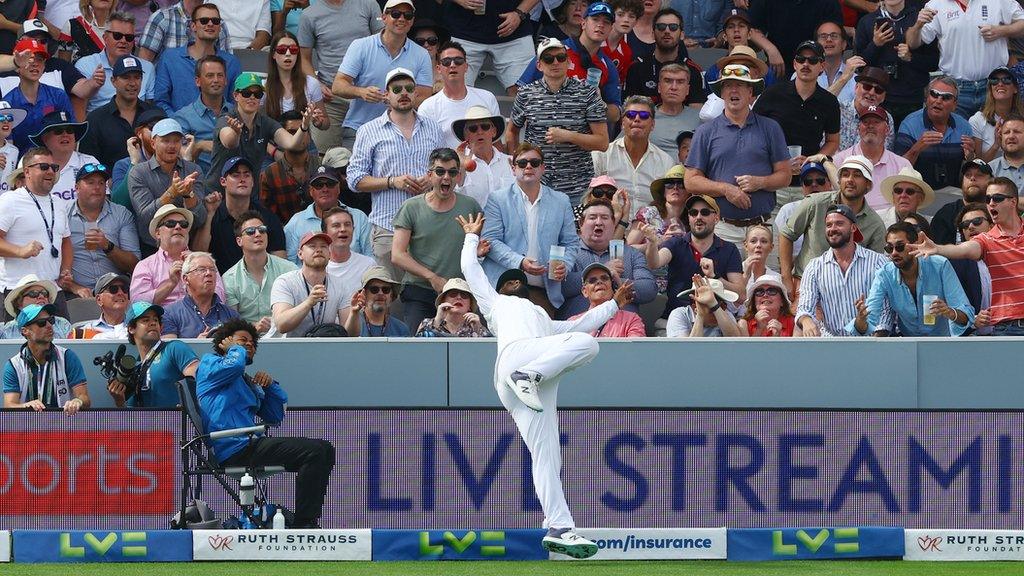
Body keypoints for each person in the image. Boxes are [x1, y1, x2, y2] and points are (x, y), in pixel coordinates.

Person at [457, 210, 633, 559]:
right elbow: (470, 270)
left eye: (518, 283)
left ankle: (560, 527)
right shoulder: (496, 305)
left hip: (529, 385)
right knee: (591, 346)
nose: (515, 287)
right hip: (516, 362)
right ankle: (529, 376)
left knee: (547, 456)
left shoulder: (547, 323)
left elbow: (583, 323)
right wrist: (471, 237)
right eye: (509, 283)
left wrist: (613, 304)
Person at [197, 319, 334, 529]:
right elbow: (233, 364)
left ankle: (308, 520)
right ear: (224, 343)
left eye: (252, 342)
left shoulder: (244, 381)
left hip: (250, 444)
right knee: (314, 451)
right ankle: (303, 525)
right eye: (243, 340)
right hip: (233, 448)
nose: (249, 345)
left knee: (325, 449)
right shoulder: (209, 364)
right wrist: (235, 350)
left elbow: (275, 415)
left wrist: (270, 387)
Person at [346, 67, 444, 278]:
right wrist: (392, 181)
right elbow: (354, 180)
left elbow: (444, 168)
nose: (404, 93)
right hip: (387, 227)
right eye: (397, 88)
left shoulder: (433, 127)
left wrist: (432, 179)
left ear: (416, 93)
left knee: (427, 296)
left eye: (409, 88)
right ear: (386, 95)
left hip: (429, 225)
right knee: (390, 298)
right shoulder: (368, 130)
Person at [685, 64, 790, 250]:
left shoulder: (770, 128)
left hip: (762, 228)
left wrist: (761, 182)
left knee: (765, 279)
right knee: (718, 280)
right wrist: (726, 189)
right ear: (721, 93)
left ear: (751, 93)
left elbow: (785, 176)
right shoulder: (705, 132)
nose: (733, 90)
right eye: (727, 85)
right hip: (721, 229)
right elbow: (691, 181)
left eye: (740, 85)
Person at [910, 177, 1024, 335]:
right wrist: (938, 248)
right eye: (988, 198)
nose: (991, 203)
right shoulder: (987, 239)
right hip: (1007, 328)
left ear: (1013, 202)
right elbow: (963, 249)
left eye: (997, 198)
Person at [482, 144, 581, 317]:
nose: (528, 167)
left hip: (542, 290)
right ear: (513, 169)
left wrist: (565, 264)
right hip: (502, 290)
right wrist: (519, 262)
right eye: (522, 163)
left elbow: (571, 243)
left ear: (543, 168)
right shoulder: (497, 199)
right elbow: (491, 240)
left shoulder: (561, 201)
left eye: (534, 163)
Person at [507, 38, 609, 204]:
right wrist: (516, 165)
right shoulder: (526, 93)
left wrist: (568, 136)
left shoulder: (587, 93)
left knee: (575, 231)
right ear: (539, 65)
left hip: (577, 187)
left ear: (568, 62)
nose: (555, 62)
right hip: (535, 185)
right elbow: (512, 131)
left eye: (561, 58)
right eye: (548, 59)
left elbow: (602, 142)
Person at [392, 147, 482, 329]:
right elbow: (397, 254)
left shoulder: (470, 206)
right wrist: (432, 278)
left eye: (452, 172)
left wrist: (479, 250)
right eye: (440, 171)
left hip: (459, 293)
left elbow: (475, 246)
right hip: (420, 290)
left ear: (458, 176)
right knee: (421, 346)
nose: (446, 177)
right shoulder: (411, 207)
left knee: (466, 346)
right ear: (430, 175)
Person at [779, 155, 887, 299]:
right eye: (845, 174)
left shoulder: (875, 224)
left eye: (857, 175)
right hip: (805, 285)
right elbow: (786, 234)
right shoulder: (815, 203)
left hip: (850, 292)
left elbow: (876, 268)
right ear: (839, 180)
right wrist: (786, 278)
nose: (849, 180)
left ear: (868, 185)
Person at [331, 0, 433, 147]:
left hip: (403, 131)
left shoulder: (421, 54)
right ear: (384, 17)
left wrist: (397, 99)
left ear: (412, 21)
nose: (401, 19)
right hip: (359, 127)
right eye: (396, 14)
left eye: (408, 15)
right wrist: (361, 92)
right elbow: (338, 85)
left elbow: (424, 97)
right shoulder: (361, 46)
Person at [642, 194, 744, 333]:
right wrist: (653, 244)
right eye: (693, 213)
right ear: (689, 218)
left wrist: (715, 277)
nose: (698, 217)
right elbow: (655, 263)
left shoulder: (729, 249)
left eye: (705, 212)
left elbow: (740, 294)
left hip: (715, 322)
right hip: (675, 319)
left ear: (717, 218)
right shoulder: (676, 243)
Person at [905, 0, 1024, 118]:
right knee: (956, 136)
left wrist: (1001, 31)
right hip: (955, 88)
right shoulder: (936, 4)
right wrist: (918, 25)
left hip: (993, 86)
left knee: (995, 134)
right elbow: (913, 43)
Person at [207, 73, 316, 198]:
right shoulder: (226, 118)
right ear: (236, 96)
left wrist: (304, 126)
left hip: (249, 196)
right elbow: (229, 142)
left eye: (257, 94)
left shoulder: (266, 122)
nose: (252, 97)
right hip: (218, 195)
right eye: (247, 93)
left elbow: (291, 143)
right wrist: (236, 133)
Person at [752, 40, 841, 191]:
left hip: (809, 181)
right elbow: (753, 130)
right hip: (773, 179)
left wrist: (811, 160)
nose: (806, 64)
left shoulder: (829, 102)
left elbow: (833, 141)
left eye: (812, 60)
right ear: (794, 64)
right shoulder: (773, 93)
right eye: (801, 59)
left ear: (822, 67)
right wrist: (777, 160)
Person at [860, 221, 973, 337]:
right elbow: (870, 318)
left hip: (942, 342)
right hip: (908, 345)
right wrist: (861, 319)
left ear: (915, 245)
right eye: (889, 248)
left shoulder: (940, 265)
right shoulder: (884, 274)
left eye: (900, 246)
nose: (894, 253)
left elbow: (966, 315)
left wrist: (949, 312)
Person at [296, 0, 382, 152]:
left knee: (375, 153)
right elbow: (303, 59)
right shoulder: (309, 14)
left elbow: (383, 44)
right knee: (324, 159)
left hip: (367, 96)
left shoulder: (368, 4)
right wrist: (317, 85)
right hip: (330, 97)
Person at [0, 147, 75, 319]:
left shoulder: (59, 203)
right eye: (43, 167)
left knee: (61, 342)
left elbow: (66, 242)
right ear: (27, 171)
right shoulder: (9, 200)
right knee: (15, 345)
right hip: (17, 292)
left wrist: (66, 270)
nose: (50, 171)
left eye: (54, 167)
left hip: (52, 291)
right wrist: (19, 251)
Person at [517, 2, 623, 123]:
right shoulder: (555, 50)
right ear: (583, 23)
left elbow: (615, 115)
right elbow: (521, 90)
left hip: (584, 135)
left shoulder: (608, 66)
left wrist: (599, 103)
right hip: (549, 129)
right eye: (595, 19)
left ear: (611, 29)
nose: (600, 25)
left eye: (606, 22)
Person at [795, 204, 891, 337]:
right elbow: (804, 308)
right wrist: (806, 321)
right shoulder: (814, 267)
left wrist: (875, 343)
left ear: (853, 228)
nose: (832, 229)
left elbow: (886, 309)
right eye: (829, 225)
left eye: (839, 223)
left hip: (870, 342)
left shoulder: (878, 262)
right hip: (830, 345)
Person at [562, 199, 656, 318]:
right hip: (579, 329)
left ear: (614, 224)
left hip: (624, 331)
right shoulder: (567, 252)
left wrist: (618, 282)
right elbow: (558, 287)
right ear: (581, 224)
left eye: (605, 217)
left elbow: (649, 289)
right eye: (592, 217)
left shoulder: (632, 254)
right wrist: (603, 271)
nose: (599, 222)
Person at [855, 0, 940, 129]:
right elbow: (859, 66)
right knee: (877, 143)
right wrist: (875, 45)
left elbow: (933, 63)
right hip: (876, 97)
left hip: (911, 98)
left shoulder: (919, 19)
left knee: (908, 143)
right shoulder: (867, 21)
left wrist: (911, 57)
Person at [127, 117, 208, 253]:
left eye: (176, 141)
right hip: (151, 248)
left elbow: (200, 219)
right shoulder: (138, 172)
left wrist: (189, 196)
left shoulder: (193, 170)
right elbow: (145, 216)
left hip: (187, 247)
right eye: (165, 140)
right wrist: (172, 193)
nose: (172, 146)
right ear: (153, 143)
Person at [193, 156, 287, 273]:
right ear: (223, 181)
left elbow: (280, 259)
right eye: (236, 175)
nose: (242, 179)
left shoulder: (267, 217)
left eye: (246, 175)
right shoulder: (212, 214)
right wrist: (210, 214)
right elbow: (197, 255)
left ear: (253, 182)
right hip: (220, 285)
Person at [152, 3, 240, 116]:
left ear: (220, 28)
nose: (210, 24)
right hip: (179, 130)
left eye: (215, 21)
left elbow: (236, 101)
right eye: (204, 20)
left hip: (219, 129)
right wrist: (178, 123)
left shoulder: (232, 63)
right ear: (193, 26)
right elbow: (161, 100)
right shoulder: (170, 58)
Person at [130, 204, 227, 306]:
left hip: (201, 319)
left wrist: (198, 270)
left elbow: (221, 298)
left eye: (184, 224)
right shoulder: (145, 266)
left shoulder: (205, 262)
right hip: (163, 320)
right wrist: (170, 284)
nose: (178, 227)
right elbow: (138, 305)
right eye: (170, 223)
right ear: (158, 233)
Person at [2, 303, 89, 413]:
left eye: (51, 320)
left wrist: (77, 401)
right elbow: (8, 405)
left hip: (63, 425)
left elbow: (84, 398)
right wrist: (26, 406)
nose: (49, 325)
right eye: (41, 323)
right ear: (25, 331)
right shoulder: (14, 365)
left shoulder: (68, 357)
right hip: (28, 427)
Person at [592, 95, 674, 209]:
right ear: (622, 123)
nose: (637, 119)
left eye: (644, 116)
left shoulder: (666, 162)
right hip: (611, 224)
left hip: (652, 225)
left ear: (653, 125)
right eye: (630, 115)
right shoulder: (601, 155)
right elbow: (589, 199)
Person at [67, 162, 140, 291]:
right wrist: (75, 288)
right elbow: (55, 265)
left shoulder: (121, 214)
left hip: (116, 292)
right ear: (76, 187)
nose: (97, 187)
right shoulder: (63, 216)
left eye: (101, 183)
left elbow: (134, 265)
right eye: (90, 182)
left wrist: (107, 246)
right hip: (77, 294)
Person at [893, 76, 974, 190]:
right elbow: (898, 170)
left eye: (946, 97)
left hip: (955, 193)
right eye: (934, 94)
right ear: (927, 98)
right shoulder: (909, 124)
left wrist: (970, 158)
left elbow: (969, 171)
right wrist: (916, 149)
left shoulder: (964, 126)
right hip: (919, 193)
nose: (938, 100)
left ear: (955, 105)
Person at [79, 55, 160, 169]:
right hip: (110, 184)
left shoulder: (156, 115)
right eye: (126, 77)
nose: (132, 83)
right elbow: (88, 164)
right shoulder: (95, 119)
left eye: (137, 77)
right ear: (113, 81)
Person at [418, 41, 501, 148]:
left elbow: (496, 141)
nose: (452, 65)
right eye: (446, 62)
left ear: (466, 66)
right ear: (439, 69)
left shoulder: (487, 97)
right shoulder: (428, 107)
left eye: (458, 61)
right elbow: (427, 147)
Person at [222, 210, 296, 328]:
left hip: (284, 336)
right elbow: (232, 324)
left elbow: (298, 310)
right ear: (239, 241)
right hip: (247, 340)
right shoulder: (228, 279)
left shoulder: (289, 269)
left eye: (262, 230)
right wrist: (254, 328)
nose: (258, 234)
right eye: (250, 231)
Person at [833, 104, 912, 211]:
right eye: (866, 122)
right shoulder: (839, 160)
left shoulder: (902, 165)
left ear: (887, 130)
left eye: (876, 122)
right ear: (858, 128)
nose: (870, 126)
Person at [286, 165, 371, 263]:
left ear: (338, 188)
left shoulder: (359, 217)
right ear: (311, 191)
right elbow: (290, 262)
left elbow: (370, 255)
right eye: (318, 185)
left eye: (330, 184)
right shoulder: (296, 221)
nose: (325, 189)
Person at [74, 12, 156, 114]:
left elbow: (149, 109)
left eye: (129, 37)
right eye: (117, 36)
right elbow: (79, 109)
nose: (123, 41)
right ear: (105, 38)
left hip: (136, 126)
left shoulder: (147, 68)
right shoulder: (86, 65)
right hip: (99, 126)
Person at [2, 38, 74, 153]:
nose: (35, 64)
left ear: (44, 66)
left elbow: (71, 134)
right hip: (20, 166)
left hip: (56, 163)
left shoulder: (58, 96)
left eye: (40, 60)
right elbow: (7, 146)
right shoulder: (8, 103)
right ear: (16, 66)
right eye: (29, 60)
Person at [623, 8, 707, 108]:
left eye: (673, 27)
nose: (667, 31)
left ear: (682, 35)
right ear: (653, 34)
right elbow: (630, 110)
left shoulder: (693, 70)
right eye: (661, 27)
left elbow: (696, 114)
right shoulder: (636, 68)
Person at [270, 231, 347, 337]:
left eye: (324, 246)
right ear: (300, 254)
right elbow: (281, 325)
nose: (319, 250)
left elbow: (350, 333)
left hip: (322, 347)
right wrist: (309, 302)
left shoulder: (340, 284)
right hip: (286, 348)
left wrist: (355, 313)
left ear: (330, 254)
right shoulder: (284, 282)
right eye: (312, 246)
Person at [172, 54, 232, 176]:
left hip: (236, 182)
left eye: (220, 75)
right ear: (198, 81)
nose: (216, 80)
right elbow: (178, 160)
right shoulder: (183, 118)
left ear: (225, 80)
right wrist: (200, 146)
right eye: (210, 75)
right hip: (200, 185)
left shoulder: (236, 112)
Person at [746, 0, 842, 74]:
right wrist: (771, 49)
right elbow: (750, 30)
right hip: (780, 67)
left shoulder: (828, 2)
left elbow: (834, 32)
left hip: (818, 67)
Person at [27, 110, 98, 209]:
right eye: (58, 131)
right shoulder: (31, 163)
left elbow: (102, 200)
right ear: (44, 138)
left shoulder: (89, 162)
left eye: (69, 130)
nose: (65, 135)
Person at [161, 251, 238, 338]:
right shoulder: (170, 314)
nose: (209, 273)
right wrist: (197, 344)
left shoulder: (231, 315)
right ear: (186, 279)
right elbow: (170, 350)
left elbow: (240, 348)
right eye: (201, 269)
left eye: (212, 269)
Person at [263, 31, 327, 132]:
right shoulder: (264, 86)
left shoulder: (311, 83)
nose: (288, 54)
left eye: (293, 50)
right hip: (273, 142)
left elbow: (326, 124)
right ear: (273, 54)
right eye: (282, 50)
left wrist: (318, 122)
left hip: (303, 141)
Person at [451, 105, 513, 203]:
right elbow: (452, 198)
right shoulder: (457, 165)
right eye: (473, 128)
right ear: (465, 135)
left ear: (494, 131)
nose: (480, 132)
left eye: (485, 127)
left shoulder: (511, 162)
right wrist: (460, 168)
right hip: (472, 218)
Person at [137, 0, 232, 63]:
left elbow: (228, 64)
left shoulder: (219, 24)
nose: (210, 23)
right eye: (204, 21)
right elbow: (144, 65)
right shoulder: (162, 18)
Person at [567, 261, 645, 337]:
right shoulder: (573, 322)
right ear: (585, 291)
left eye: (604, 278)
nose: (599, 282)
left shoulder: (631, 319)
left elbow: (636, 349)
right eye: (592, 280)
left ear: (612, 287)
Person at [952, 202, 993, 334]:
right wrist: (973, 321)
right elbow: (952, 305)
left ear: (992, 226)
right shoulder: (955, 264)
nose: (970, 226)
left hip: (1013, 332)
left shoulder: (1009, 255)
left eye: (977, 221)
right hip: (974, 338)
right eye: (965, 225)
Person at [322, 206, 374, 311]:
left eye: (347, 225)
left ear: (353, 229)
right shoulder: (318, 266)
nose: (343, 229)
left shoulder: (368, 265)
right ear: (325, 233)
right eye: (336, 226)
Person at [931, 158, 993, 245]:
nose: (972, 178)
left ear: (991, 182)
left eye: (979, 175)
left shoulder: (997, 211)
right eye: (968, 175)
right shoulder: (946, 213)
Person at [969, 67, 1024, 162]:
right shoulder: (977, 120)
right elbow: (978, 165)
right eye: (994, 80)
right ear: (991, 89)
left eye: (1007, 80)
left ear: (1015, 89)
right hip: (991, 175)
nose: (1000, 84)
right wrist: (996, 145)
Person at [836, 67, 896, 152]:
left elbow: (883, 153)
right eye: (867, 87)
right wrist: (843, 78)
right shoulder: (838, 108)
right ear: (856, 87)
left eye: (878, 90)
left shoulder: (886, 119)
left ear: (883, 97)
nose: (871, 92)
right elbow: (818, 104)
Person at [342, 265, 411, 336]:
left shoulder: (401, 329)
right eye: (374, 289)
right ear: (364, 294)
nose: (380, 293)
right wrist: (354, 312)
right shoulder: (354, 322)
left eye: (386, 290)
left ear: (391, 295)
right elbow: (347, 340)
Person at [665, 274, 741, 337]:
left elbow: (736, 344)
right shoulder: (679, 315)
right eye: (712, 308)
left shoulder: (725, 314)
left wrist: (714, 306)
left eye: (722, 306)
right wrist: (700, 315)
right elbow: (685, 351)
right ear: (695, 306)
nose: (718, 311)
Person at [649, 63, 699, 155]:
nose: (673, 87)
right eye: (668, 81)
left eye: (680, 82)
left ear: (687, 89)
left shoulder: (701, 119)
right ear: (659, 87)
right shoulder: (643, 117)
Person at [415, 277, 492, 337]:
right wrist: (437, 321)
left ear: (470, 306)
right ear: (443, 301)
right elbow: (419, 349)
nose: (459, 298)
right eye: (453, 294)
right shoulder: (427, 323)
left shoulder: (476, 325)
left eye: (464, 295)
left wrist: (478, 330)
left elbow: (489, 351)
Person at [0, 274, 71, 338]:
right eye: (33, 294)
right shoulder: (7, 330)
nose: (41, 296)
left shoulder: (62, 324)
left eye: (44, 293)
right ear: (19, 303)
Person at [73, 272, 130, 339]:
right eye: (113, 289)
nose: (120, 293)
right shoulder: (83, 333)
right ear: (99, 300)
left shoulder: (139, 327)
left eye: (124, 289)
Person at [990, 115, 1024, 192]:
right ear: (1000, 137)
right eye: (1006, 132)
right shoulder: (991, 169)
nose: (1011, 136)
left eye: (1017, 132)